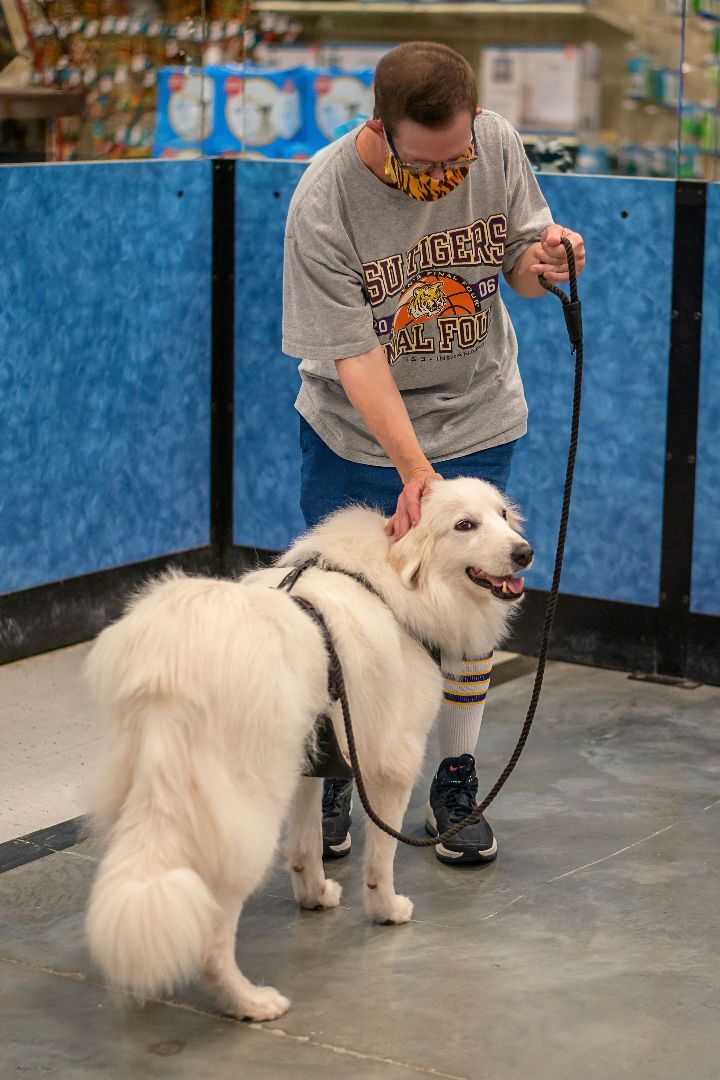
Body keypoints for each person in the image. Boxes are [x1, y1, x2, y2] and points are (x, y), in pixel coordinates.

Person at [282, 41, 586, 866]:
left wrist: (543, 261)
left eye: (459, 158)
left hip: (479, 414)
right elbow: (355, 355)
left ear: (476, 123)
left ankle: (455, 779)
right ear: (379, 129)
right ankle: (339, 775)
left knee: (473, 607)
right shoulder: (324, 197)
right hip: (358, 435)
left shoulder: (496, 144)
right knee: (345, 621)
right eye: (426, 165)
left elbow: (517, 266)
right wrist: (416, 473)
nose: (447, 178)